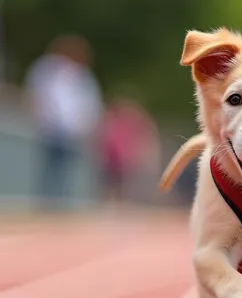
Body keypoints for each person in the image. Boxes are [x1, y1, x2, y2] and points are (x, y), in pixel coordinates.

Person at [24, 34, 103, 207]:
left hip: (73, 132)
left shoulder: (82, 76)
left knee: (66, 171)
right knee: (51, 170)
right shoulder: (47, 69)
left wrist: (86, 126)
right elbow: (39, 96)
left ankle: (59, 205)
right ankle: (47, 204)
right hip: (51, 130)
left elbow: (90, 105)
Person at [98, 91, 160, 206]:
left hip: (124, 161)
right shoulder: (113, 122)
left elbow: (146, 134)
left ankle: (123, 206)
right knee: (112, 186)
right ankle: (113, 205)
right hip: (113, 162)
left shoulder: (132, 122)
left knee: (125, 186)